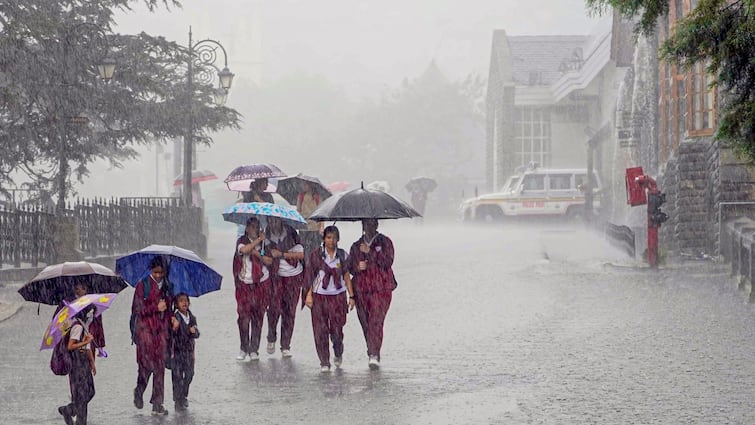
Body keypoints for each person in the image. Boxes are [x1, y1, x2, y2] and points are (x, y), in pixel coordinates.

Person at [303, 225, 355, 372]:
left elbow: (346, 276)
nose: (331, 241)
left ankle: (338, 352)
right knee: (320, 331)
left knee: (337, 330)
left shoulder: (343, 255)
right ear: (324, 239)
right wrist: (308, 295)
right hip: (319, 296)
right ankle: (324, 361)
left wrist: (351, 296)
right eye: (328, 237)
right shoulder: (316, 255)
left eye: (334, 238)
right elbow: (310, 277)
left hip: (338, 296)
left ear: (338, 239)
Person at [348, 218, 394, 370]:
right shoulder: (356, 246)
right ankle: (372, 349)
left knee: (376, 320)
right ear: (362, 225)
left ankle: (374, 353)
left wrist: (372, 253)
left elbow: (388, 262)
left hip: (381, 288)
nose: (369, 227)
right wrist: (357, 266)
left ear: (377, 225)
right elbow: (349, 268)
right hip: (361, 290)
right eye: (366, 224)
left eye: (372, 224)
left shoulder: (385, 242)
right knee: (365, 322)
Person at [132, 257, 172, 416]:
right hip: (145, 332)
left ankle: (157, 402)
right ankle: (139, 391)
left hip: (161, 332)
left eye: (161, 273)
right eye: (155, 272)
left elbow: (169, 308)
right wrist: (156, 307)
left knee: (160, 368)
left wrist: (171, 318)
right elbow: (137, 309)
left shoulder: (168, 286)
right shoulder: (143, 285)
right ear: (150, 270)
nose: (158, 276)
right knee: (146, 366)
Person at [264, 216, 305, 357]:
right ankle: (271, 336)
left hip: (293, 277)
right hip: (275, 277)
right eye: (270, 221)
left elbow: (301, 254)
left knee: (290, 312)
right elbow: (263, 254)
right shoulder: (266, 234)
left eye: (276, 221)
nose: (273, 224)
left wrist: (281, 254)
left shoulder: (291, 233)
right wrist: (266, 258)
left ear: (282, 221)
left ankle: (285, 345)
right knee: (273, 309)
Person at [233, 216, 272, 361]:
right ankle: (244, 347)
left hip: (261, 283)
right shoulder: (241, 240)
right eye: (253, 227)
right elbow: (244, 250)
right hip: (244, 283)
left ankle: (254, 348)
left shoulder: (264, 244)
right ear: (247, 228)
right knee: (243, 317)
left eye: (257, 227)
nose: (255, 230)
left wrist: (259, 252)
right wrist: (257, 243)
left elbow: (269, 260)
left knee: (258, 317)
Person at [58, 305, 96, 425]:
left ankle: (73, 413)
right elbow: (71, 346)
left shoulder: (84, 326)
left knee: (90, 392)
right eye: (90, 313)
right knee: (82, 394)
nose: (92, 316)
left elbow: (87, 347)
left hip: (84, 362)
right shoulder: (77, 327)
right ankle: (71, 412)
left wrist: (92, 362)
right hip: (77, 363)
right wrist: (86, 341)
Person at [55, 281, 106, 357]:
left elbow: (98, 325)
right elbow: (57, 322)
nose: (79, 290)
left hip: (88, 338)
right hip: (71, 339)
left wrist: (100, 345)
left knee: (88, 362)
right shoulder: (66, 303)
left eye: (83, 288)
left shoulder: (93, 303)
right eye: (76, 288)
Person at [168, 293, 200, 412]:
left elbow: (197, 333)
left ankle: (183, 395)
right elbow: (173, 333)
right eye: (181, 301)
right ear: (176, 304)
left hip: (189, 352)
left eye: (186, 301)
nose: (184, 303)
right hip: (177, 352)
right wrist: (175, 328)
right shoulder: (175, 317)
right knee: (177, 376)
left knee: (189, 374)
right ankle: (178, 399)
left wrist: (194, 331)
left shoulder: (192, 318)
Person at [296, 180, 322, 255]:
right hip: (304, 227)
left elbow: (321, 212)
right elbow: (298, 210)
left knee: (314, 249)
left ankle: (313, 264)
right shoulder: (301, 196)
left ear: (310, 185)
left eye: (305, 184)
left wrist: (321, 226)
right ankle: (305, 264)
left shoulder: (317, 197)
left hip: (315, 228)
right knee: (303, 248)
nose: (303, 186)